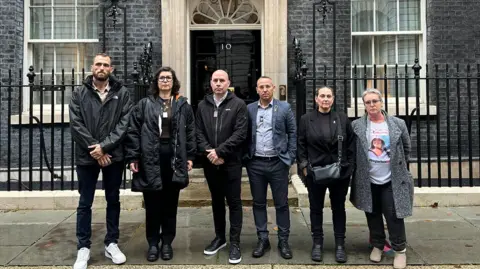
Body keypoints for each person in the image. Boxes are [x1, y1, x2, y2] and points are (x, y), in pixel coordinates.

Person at [124, 66, 196, 262]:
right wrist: (133, 157)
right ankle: (153, 244)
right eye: (162, 78)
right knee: (153, 205)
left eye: (169, 78)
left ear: (174, 82)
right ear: (156, 82)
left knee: (170, 205)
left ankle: (167, 243)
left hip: (173, 161)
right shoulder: (144, 104)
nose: (165, 81)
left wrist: (190, 156)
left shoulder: (182, 105)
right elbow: (133, 131)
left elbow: (190, 132)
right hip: (149, 161)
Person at [69, 53, 133, 269]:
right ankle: (83, 247)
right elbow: (76, 124)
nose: (102, 68)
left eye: (106, 65)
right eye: (98, 64)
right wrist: (96, 149)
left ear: (111, 69)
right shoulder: (80, 93)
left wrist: (104, 148)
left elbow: (124, 125)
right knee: (84, 203)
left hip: (113, 156)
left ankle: (111, 243)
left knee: (113, 200)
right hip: (87, 157)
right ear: (92, 67)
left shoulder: (122, 93)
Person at [350, 88, 413, 269]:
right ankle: (378, 245)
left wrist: (398, 168)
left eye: (375, 101)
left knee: (393, 215)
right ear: (364, 105)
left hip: (391, 179)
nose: (372, 105)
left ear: (381, 102)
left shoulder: (397, 124)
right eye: (368, 102)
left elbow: (406, 149)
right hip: (368, 179)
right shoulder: (358, 125)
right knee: (372, 213)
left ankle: (399, 250)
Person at [297, 86, 356, 263]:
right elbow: (300, 145)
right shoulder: (306, 119)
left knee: (339, 208)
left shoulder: (342, 119)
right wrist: (305, 167)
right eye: (322, 96)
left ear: (333, 98)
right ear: (316, 99)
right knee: (316, 209)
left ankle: (340, 245)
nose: (325, 99)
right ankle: (317, 244)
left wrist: (349, 168)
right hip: (315, 173)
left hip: (340, 173)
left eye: (328, 96)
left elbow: (351, 145)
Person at [196, 69, 247, 264]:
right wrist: (210, 153)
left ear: (228, 83)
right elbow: (198, 132)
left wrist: (220, 152)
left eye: (222, 80)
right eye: (215, 80)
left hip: (231, 162)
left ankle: (235, 242)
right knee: (216, 202)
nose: (218, 83)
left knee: (234, 202)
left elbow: (240, 133)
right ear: (211, 83)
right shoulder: (202, 105)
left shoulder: (239, 104)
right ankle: (220, 238)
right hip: (211, 162)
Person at [244, 76, 297, 259]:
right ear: (257, 89)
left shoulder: (284, 107)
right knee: (258, 203)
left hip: (277, 163)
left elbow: (292, 133)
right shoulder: (249, 108)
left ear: (273, 88)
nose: (265, 89)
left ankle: (283, 240)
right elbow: (244, 133)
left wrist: (289, 158)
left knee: (281, 204)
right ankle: (263, 239)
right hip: (256, 163)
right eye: (261, 87)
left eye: (268, 86)